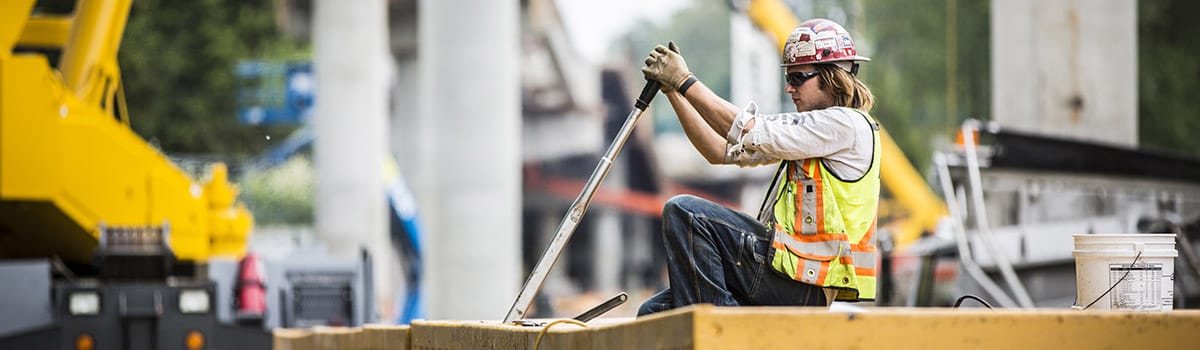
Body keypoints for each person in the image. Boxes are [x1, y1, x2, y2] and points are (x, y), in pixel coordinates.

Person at [637, 18, 880, 316]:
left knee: (687, 213)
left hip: (803, 284)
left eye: (798, 77)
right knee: (656, 311)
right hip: (788, 275)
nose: (789, 88)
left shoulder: (847, 124)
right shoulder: (813, 135)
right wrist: (673, 91)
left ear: (832, 76)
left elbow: (747, 129)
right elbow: (719, 150)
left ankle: (725, 335)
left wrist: (685, 81)